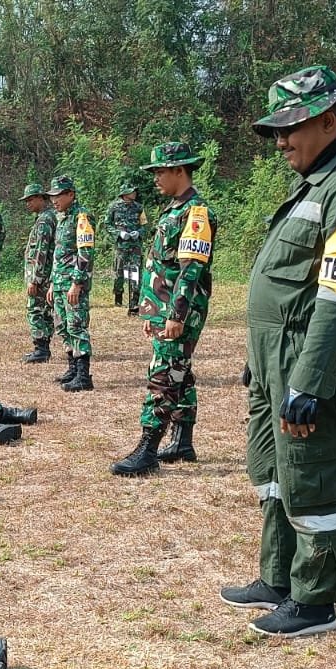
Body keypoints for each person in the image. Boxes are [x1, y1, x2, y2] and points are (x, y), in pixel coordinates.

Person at [220, 65, 336, 638]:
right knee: (273, 472)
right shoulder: (320, 181)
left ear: (331, 119)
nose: (280, 142)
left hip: (306, 361)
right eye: (275, 130)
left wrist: (309, 379)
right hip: (276, 358)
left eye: (290, 127)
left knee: (312, 476)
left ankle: (315, 600)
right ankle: (279, 577)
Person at [111, 144, 216, 477]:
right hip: (164, 308)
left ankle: (147, 450)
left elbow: (190, 270)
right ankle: (182, 442)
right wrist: (152, 313)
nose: (155, 178)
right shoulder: (174, 210)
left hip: (180, 310)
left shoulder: (196, 213)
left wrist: (175, 315)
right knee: (180, 372)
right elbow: (161, 266)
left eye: (160, 172)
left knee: (164, 375)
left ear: (180, 171)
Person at [46, 174, 96, 392]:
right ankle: (73, 369)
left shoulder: (81, 217)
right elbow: (59, 254)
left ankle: (84, 377)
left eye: (58, 195)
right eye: (52, 196)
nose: (54, 200)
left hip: (73, 284)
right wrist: (51, 284)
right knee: (62, 326)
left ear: (70, 195)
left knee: (76, 326)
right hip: (59, 283)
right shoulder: (62, 217)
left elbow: (85, 252)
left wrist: (77, 283)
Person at [20, 183, 58, 363]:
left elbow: (40, 252)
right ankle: (43, 347)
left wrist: (34, 280)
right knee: (45, 311)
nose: (28, 204)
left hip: (41, 277)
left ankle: (41, 348)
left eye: (30, 200)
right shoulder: (48, 217)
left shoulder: (45, 220)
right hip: (47, 275)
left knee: (35, 310)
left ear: (41, 198)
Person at [104, 185, 148, 315]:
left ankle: (134, 303)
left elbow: (145, 225)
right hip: (121, 246)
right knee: (119, 273)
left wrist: (138, 233)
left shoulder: (139, 208)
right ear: (124, 194)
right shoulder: (114, 207)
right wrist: (118, 233)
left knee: (135, 273)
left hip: (135, 246)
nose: (134, 193)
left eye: (134, 191)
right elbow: (107, 224)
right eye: (131, 191)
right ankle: (118, 298)